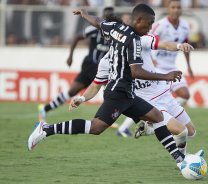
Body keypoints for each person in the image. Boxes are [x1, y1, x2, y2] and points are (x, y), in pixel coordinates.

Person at [28, 4, 186, 165]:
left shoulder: (115, 28)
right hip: (118, 93)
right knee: (96, 128)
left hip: (128, 94)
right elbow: (136, 72)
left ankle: (180, 160)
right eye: (149, 23)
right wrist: (165, 76)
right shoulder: (133, 41)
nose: (150, 27)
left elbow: (97, 21)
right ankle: (46, 129)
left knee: (157, 117)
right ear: (138, 20)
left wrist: (84, 14)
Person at [38, 7, 119, 128]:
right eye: (106, 16)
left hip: (103, 68)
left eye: (110, 16)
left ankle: (103, 119)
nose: (107, 19)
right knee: (78, 91)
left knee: (102, 91)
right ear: (102, 16)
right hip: (90, 65)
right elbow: (77, 37)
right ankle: (45, 108)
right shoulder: (94, 29)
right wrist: (70, 55)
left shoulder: (116, 33)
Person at [150, 0, 193, 106]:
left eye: (178, 7)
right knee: (151, 99)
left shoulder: (185, 26)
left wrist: (189, 65)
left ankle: (164, 110)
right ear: (168, 9)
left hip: (171, 67)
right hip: (157, 68)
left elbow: (185, 46)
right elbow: (147, 41)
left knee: (185, 95)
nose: (176, 10)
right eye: (173, 7)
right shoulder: (159, 25)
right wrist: (151, 59)